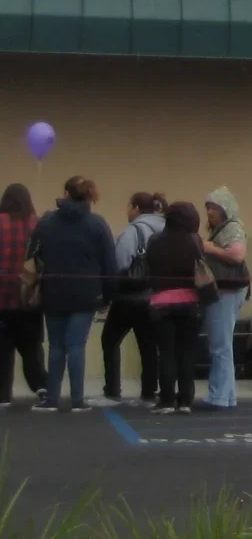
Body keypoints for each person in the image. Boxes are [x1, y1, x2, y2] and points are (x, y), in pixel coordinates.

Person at [31, 176, 116, 412]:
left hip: (53, 291)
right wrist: (108, 297)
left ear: (65, 194)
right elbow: (110, 264)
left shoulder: (47, 222)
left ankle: (51, 399)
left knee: (56, 346)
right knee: (76, 346)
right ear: (89, 196)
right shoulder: (97, 224)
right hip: (85, 294)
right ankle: (77, 400)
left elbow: (33, 254)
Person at [145, 201, 207, 414]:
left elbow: (148, 267)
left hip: (162, 303)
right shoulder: (195, 241)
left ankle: (167, 400)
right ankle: (186, 401)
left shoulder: (155, 240)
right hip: (190, 303)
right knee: (187, 352)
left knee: (167, 352)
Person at [104, 192, 166, 405]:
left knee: (110, 340)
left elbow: (120, 263)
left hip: (129, 297)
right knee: (148, 346)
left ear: (137, 208)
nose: (128, 211)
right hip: (154, 296)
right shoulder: (165, 228)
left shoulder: (133, 231)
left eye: (129, 206)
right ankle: (149, 392)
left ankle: (112, 390)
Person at [199, 188, 249, 411]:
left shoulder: (232, 228)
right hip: (228, 291)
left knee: (220, 345)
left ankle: (218, 396)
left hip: (226, 292)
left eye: (214, 207)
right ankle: (227, 396)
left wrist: (210, 248)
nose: (209, 211)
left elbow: (237, 255)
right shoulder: (224, 229)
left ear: (225, 209)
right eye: (208, 207)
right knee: (223, 344)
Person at [0, 184, 47, 407]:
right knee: (32, 348)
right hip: (29, 299)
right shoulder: (37, 224)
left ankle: (2, 395)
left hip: (2, 300)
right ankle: (41, 387)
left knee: (2, 350)